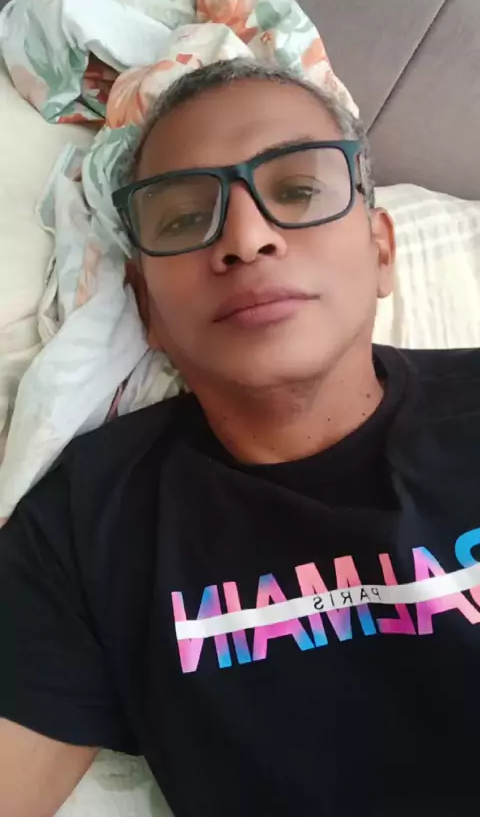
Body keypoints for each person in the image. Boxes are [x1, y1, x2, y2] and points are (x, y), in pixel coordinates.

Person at [1, 57, 480, 817]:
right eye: (183, 219)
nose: (247, 237)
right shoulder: (87, 525)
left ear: (382, 250)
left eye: (297, 191)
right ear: (148, 311)